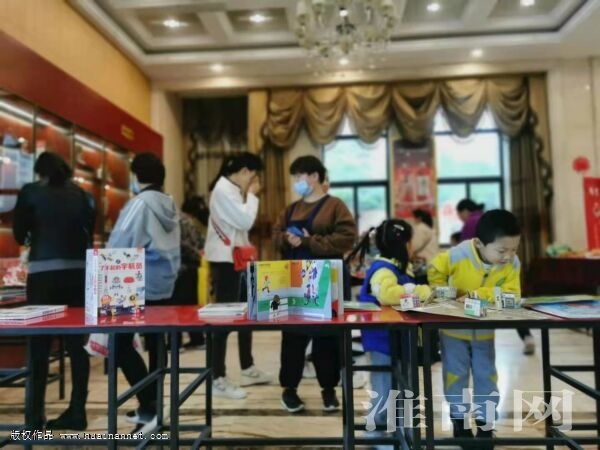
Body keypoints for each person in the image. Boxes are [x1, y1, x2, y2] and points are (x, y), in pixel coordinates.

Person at [12, 152, 95, 431]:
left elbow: (19, 233)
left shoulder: (30, 192)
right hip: (78, 274)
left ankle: (35, 417)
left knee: (39, 346)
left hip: (43, 276)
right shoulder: (82, 195)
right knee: (77, 346)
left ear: (40, 172)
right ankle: (77, 412)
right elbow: (88, 231)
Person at [428, 209, 522, 450]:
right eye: (502, 251)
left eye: (514, 249)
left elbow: (513, 294)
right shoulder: (458, 255)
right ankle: (460, 424)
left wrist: (479, 295)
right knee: (455, 375)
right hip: (453, 331)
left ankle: (485, 426)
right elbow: (435, 269)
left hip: (484, 330)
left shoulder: (512, 263)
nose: (508, 256)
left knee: (486, 375)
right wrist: (442, 294)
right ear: (479, 244)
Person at [273, 155, 357, 413]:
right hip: (295, 279)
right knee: (292, 337)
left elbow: (347, 238)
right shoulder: (290, 210)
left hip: (327, 280)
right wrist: (287, 239)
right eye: (295, 177)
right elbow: (275, 235)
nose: (296, 182)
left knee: (327, 337)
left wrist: (310, 241)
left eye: (300, 176)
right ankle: (289, 389)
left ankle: (329, 389)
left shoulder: (335, 206)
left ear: (315, 177)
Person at [107, 152, 181, 433]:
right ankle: (153, 406)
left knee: (119, 345)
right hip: (166, 284)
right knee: (157, 345)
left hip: (138, 283)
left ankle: (150, 405)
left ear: (137, 176)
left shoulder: (140, 204)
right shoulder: (169, 204)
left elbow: (120, 243)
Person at [204, 152, 272, 399]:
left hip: (238, 260)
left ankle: (247, 366)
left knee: (247, 313)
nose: (253, 182)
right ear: (244, 171)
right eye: (252, 177)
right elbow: (245, 222)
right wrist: (252, 195)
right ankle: (217, 377)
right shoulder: (223, 190)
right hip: (225, 263)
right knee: (223, 319)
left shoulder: (231, 189)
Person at [357, 219, 431, 444]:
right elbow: (387, 294)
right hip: (383, 341)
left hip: (400, 339)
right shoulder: (383, 269)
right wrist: (420, 291)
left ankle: (404, 433)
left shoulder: (397, 267)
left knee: (404, 387)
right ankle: (375, 433)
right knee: (383, 388)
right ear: (404, 244)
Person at [457, 199, 535, 356]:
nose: (460, 218)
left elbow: (464, 252)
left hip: (482, 274)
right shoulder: (488, 219)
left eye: (459, 214)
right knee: (509, 300)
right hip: (499, 272)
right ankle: (527, 336)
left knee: (477, 306)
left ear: (464, 211)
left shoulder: (471, 223)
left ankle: (472, 345)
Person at [170, 196, 207, 348]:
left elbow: (181, 244)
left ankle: (176, 342)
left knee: (177, 306)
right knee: (191, 305)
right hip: (193, 266)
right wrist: (199, 254)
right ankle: (197, 338)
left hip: (182, 267)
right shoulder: (190, 222)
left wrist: (196, 253)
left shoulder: (178, 221)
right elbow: (200, 243)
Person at [410, 208, 439, 284]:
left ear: (419, 218)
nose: (414, 220)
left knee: (423, 287)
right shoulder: (430, 229)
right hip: (434, 264)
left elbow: (414, 247)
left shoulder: (421, 228)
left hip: (424, 265)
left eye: (414, 218)